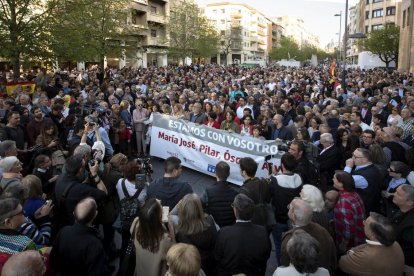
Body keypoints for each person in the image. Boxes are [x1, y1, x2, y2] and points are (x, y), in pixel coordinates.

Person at [50, 197, 110, 276]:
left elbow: (53, 260)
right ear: (95, 215)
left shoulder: (64, 231)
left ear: (74, 213)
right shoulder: (95, 245)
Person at [215, 194, 271, 276]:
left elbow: (217, 257)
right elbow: (266, 255)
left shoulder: (224, 233)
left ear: (236, 212)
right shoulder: (263, 232)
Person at [280, 198, 337, 274]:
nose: (288, 208)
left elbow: (285, 264)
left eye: (289, 208)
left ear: (293, 216)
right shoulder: (323, 231)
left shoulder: (290, 239)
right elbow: (332, 257)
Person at [339, 212, 405, 276]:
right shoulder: (395, 244)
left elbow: (342, 263)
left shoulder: (366, 256)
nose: (363, 222)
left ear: (372, 234)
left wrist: (352, 251)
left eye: (366, 223)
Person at [53, 154, 107, 231]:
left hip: (65, 221)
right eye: (84, 165)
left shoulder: (60, 178)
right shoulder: (80, 190)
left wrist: (88, 178)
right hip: (79, 224)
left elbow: (75, 185)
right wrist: (95, 174)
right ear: (80, 170)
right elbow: (104, 193)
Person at [269, 153, 303, 262]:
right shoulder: (299, 178)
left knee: (279, 246)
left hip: (279, 219)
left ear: (282, 165)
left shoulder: (275, 180)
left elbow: (269, 195)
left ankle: (281, 266)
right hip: (294, 219)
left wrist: (271, 177)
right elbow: (288, 179)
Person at [175, 193, 218, 275]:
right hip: (212, 264)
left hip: (196, 267)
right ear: (199, 208)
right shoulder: (209, 220)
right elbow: (216, 242)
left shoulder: (181, 233)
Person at [131, 198, 174, 276]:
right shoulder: (164, 239)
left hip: (141, 269)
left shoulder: (136, 222)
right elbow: (175, 253)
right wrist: (170, 228)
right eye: (160, 205)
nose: (160, 202)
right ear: (158, 218)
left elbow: (147, 227)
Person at [333, 171, 366, 254]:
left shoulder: (344, 201)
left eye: (334, 178)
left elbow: (349, 229)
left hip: (351, 244)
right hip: (360, 236)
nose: (332, 179)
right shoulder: (354, 193)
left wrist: (343, 245)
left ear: (341, 184)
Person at [344, 148, 381, 215]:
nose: (352, 158)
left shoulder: (363, 177)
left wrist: (348, 166)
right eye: (352, 155)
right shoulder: (367, 165)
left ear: (364, 159)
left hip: (362, 206)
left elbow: (343, 182)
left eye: (355, 157)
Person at [201, 161, 238, 227]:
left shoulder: (208, 191)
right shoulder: (235, 193)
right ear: (228, 174)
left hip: (213, 226)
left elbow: (200, 206)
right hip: (229, 226)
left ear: (215, 173)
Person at [387, 184, 414, 270]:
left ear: (410, 202)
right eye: (396, 191)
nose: (394, 194)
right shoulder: (398, 207)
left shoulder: (411, 227)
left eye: (398, 194)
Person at [239, 157, 271, 226]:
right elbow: (268, 200)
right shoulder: (264, 182)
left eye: (240, 169)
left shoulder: (243, 191)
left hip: (251, 222)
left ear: (244, 172)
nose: (239, 170)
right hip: (264, 218)